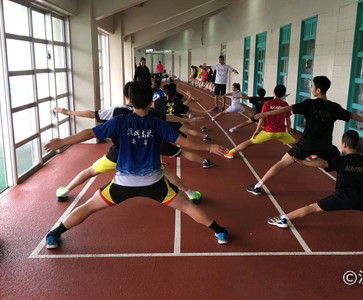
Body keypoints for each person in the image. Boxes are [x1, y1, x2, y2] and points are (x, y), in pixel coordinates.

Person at [43, 81, 229, 249]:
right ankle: (220, 231)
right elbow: (184, 142)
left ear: (129, 99)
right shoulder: (157, 123)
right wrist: (209, 147)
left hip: (122, 184)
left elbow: (89, 133)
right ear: (151, 102)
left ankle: (54, 235)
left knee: (90, 206)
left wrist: (63, 141)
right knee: (187, 207)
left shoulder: (120, 121)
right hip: (154, 183)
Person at [53, 82, 210, 204]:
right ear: (148, 100)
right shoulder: (151, 112)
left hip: (116, 155)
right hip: (143, 158)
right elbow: (168, 117)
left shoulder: (116, 111)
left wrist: (68, 113)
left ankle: (65, 191)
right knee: (165, 173)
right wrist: (186, 120)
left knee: (90, 171)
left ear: (125, 97)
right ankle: (190, 194)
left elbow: (90, 114)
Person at [246, 76, 363, 195]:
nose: (311, 88)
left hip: (307, 144)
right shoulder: (334, 107)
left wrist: (266, 114)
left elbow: (287, 109)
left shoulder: (309, 104)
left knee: (282, 163)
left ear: (318, 90)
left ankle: (257, 186)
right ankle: (360, 185)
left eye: (312, 86)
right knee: (341, 164)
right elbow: (352, 115)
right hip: (325, 145)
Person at [267, 130, 363, 230]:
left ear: (343, 145)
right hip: (360, 199)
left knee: (312, 208)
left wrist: (303, 162)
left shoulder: (340, 161)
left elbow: (321, 164)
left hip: (340, 198)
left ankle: (284, 219)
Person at [224, 85, 295, 159]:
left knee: (249, 142)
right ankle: (307, 153)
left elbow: (262, 117)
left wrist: (256, 131)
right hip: (281, 132)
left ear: (273, 92)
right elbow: (288, 120)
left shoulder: (267, 103)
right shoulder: (285, 104)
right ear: (283, 94)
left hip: (268, 132)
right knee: (295, 143)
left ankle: (230, 152)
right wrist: (289, 132)